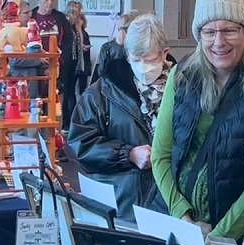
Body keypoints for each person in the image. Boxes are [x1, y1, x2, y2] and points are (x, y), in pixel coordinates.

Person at [150, 0, 244, 239]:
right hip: (178, 225)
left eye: (229, 30)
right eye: (209, 32)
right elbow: (160, 155)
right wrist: (183, 218)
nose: (218, 41)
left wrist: (221, 235)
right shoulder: (182, 75)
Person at [67, 14, 174, 221]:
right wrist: (128, 154)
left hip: (172, 204)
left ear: (165, 55)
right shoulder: (101, 92)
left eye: (150, 60)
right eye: (136, 59)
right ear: (127, 55)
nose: (143, 66)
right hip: (123, 205)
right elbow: (81, 144)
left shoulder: (184, 90)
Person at [32, 0, 75, 125]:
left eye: (52, 0)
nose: (50, 3)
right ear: (39, 0)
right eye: (46, 0)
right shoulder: (32, 17)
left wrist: (60, 59)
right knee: (35, 105)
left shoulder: (60, 18)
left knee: (55, 105)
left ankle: (55, 137)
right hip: (35, 69)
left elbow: (69, 42)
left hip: (56, 67)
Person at [91, 11, 139, 83]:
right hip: (131, 88)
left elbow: (100, 71)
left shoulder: (106, 47)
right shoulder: (136, 48)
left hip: (110, 88)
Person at [73, 13, 92, 97]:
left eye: (81, 20)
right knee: (71, 89)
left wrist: (84, 47)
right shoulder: (73, 33)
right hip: (75, 64)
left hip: (84, 64)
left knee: (82, 89)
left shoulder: (85, 34)